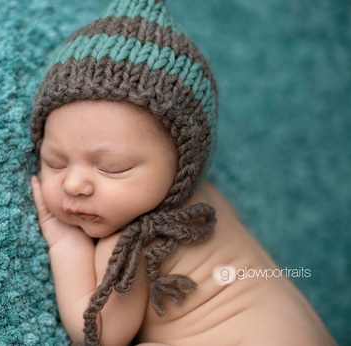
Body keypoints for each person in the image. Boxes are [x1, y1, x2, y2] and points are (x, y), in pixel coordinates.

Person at [27, 1, 336, 344]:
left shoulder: (137, 244)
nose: (73, 184)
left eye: (113, 168)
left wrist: (63, 241)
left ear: (183, 165)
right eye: (55, 162)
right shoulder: (210, 200)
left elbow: (99, 334)